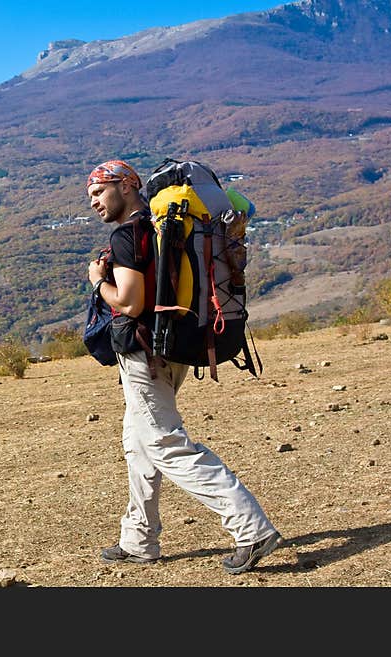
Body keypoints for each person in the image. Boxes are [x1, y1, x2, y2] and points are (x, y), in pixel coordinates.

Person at [85, 159, 282, 574]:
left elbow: (130, 302)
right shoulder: (160, 227)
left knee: (164, 444)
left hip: (143, 354)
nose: (94, 203)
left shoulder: (128, 234)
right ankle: (139, 539)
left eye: (99, 192)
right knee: (138, 442)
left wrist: (97, 282)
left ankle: (251, 528)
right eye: (91, 197)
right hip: (174, 345)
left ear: (127, 185)